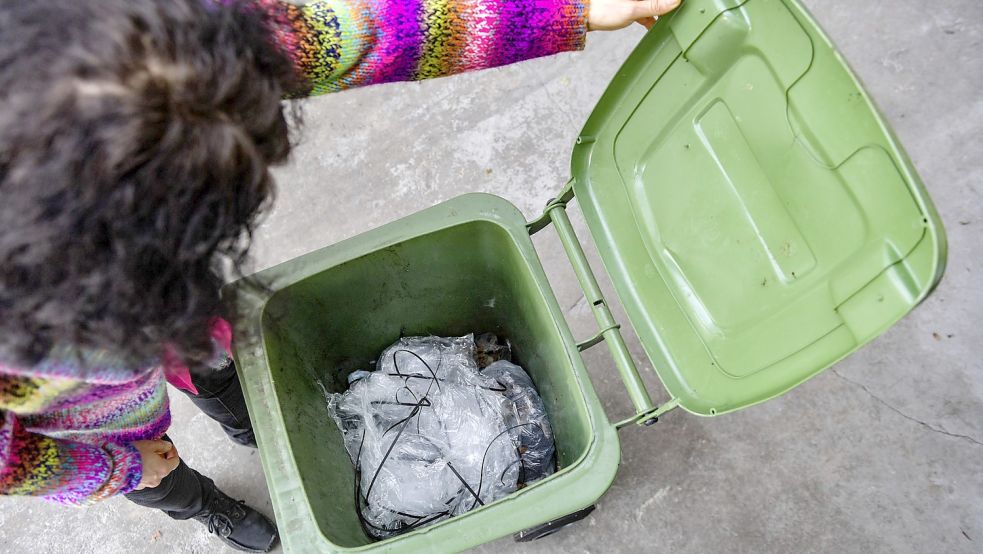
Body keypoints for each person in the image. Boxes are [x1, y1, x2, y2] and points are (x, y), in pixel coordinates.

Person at [0, 0, 681, 551]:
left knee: (213, 356)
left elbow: (348, 33)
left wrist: (570, 10)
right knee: (159, 472)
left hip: (168, 330)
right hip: (94, 428)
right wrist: (110, 470)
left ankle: (245, 419)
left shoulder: (127, 60)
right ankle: (200, 504)